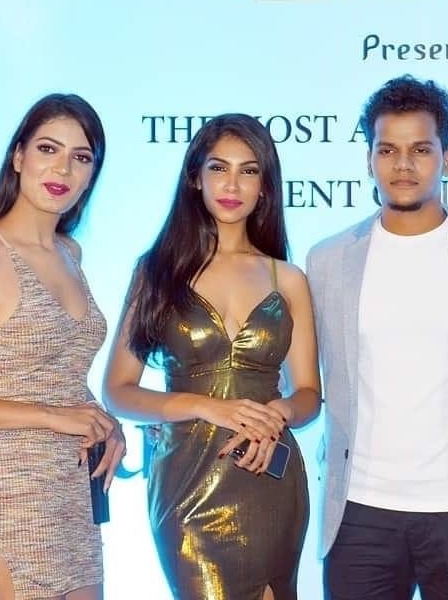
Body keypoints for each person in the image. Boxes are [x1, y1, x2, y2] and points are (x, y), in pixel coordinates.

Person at [306, 75, 448, 600]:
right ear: (369, 161)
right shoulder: (328, 260)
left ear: (446, 159)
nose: (403, 164)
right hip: (359, 511)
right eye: (387, 150)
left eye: (421, 150)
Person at [103, 114, 321, 600]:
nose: (232, 184)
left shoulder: (287, 278)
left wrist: (279, 415)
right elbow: (118, 390)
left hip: (269, 476)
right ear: (195, 178)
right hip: (187, 482)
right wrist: (206, 406)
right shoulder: (156, 272)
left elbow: (309, 393)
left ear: (265, 186)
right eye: (219, 168)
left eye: (249, 170)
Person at [0, 94, 126, 600]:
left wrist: (103, 421)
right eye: (48, 148)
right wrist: (54, 416)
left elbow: (63, 373)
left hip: (72, 493)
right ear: (18, 156)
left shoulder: (70, 252)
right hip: (4, 493)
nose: (63, 168)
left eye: (81, 157)